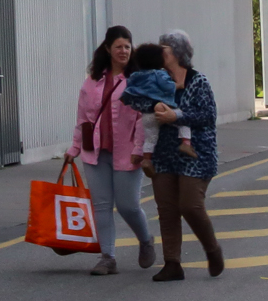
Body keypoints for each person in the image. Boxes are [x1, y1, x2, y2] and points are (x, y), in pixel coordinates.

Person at [67, 26, 155, 275]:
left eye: (127, 46)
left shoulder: (137, 80)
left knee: (128, 205)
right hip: (95, 152)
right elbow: (83, 117)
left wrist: (140, 148)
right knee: (102, 205)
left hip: (128, 152)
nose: (123, 51)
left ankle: (146, 240)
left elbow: (143, 119)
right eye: (118, 46)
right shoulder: (92, 82)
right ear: (108, 49)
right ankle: (107, 257)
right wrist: (74, 147)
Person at [145, 30, 223, 280]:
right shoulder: (156, 80)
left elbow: (208, 116)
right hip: (164, 154)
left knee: (189, 205)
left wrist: (175, 115)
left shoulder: (199, 81)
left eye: (164, 48)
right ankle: (172, 263)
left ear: (178, 52)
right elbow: (142, 107)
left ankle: (212, 250)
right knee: (166, 209)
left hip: (196, 153)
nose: (160, 52)